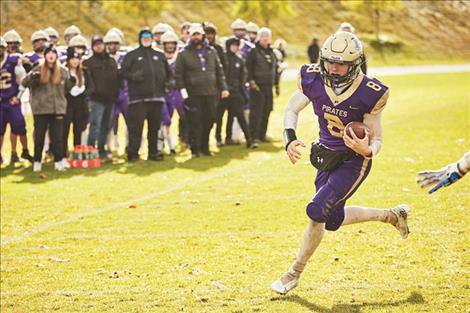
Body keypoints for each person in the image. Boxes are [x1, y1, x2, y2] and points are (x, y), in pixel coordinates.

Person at [270, 32, 410, 295]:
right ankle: (391, 215)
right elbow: (291, 109)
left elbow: (377, 138)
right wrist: (290, 139)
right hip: (325, 156)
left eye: (341, 63)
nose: (333, 68)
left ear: (355, 63)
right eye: (329, 61)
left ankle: (293, 273)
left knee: (316, 210)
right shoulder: (312, 78)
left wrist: (366, 149)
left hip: (353, 162)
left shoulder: (370, 92)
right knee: (331, 220)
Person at [175, 23, 229, 157]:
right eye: (193, 34)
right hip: (193, 93)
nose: (196, 37)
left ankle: (205, 147)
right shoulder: (183, 53)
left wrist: (223, 87)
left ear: (202, 35)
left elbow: (219, 70)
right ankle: (195, 149)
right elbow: (178, 75)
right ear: (190, 36)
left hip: (211, 92)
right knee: (195, 121)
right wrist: (183, 92)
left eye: (198, 34)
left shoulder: (211, 51)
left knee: (210, 119)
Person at [22, 44, 75, 172]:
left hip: (57, 108)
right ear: (45, 55)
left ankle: (58, 161)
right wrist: (32, 77)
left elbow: (66, 91)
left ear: (56, 55)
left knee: (58, 137)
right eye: (48, 53)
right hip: (41, 109)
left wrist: (71, 82)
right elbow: (25, 83)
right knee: (39, 137)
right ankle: (37, 162)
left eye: (53, 53)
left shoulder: (62, 70)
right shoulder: (38, 68)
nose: (51, 55)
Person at [121, 28, 171, 162]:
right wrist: (132, 77)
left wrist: (169, 83)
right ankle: (133, 154)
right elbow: (122, 73)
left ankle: (153, 153)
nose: (146, 38)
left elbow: (169, 74)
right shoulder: (132, 55)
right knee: (136, 129)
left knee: (154, 128)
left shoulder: (159, 55)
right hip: (138, 99)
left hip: (157, 98)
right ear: (140, 38)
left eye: (149, 36)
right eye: (144, 36)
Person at [82, 35, 120, 160]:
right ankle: (90, 150)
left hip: (110, 99)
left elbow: (116, 79)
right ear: (92, 47)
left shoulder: (111, 61)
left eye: (100, 44)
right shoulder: (88, 62)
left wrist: (115, 94)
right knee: (95, 125)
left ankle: (101, 150)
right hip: (96, 99)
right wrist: (93, 93)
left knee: (106, 126)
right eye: (96, 44)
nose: (99, 46)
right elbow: (88, 82)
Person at [0, 36, 33, 164]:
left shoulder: (13, 60)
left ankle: (24, 151)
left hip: (13, 100)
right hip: (1, 101)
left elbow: (23, 80)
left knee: (20, 127)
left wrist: (18, 96)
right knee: (0, 130)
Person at [218, 37, 254, 148]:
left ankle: (249, 139)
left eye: (237, 45)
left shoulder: (240, 60)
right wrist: (222, 89)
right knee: (219, 117)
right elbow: (219, 75)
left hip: (236, 93)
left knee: (239, 116)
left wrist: (243, 93)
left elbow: (243, 78)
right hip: (223, 93)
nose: (235, 47)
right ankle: (219, 139)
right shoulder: (222, 58)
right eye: (233, 45)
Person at [246, 27, 279, 144]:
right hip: (257, 86)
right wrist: (251, 82)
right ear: (259, 38)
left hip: (268, 86)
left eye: (267, 36)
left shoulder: (272, 52)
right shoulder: (253, 51)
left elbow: (275, 70)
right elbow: (248, 68)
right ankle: (253, 136)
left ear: (270, 39)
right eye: (263, 36)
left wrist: (276, 85)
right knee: (256, 112)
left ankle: (262, 135)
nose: (265, 38)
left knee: (267, 110)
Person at [160, 30, 186, 154]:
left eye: (172, 43)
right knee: (165, 119)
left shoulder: (180, 57)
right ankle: (165, 144)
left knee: (185, 116)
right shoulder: (159, 58)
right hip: (163, 92)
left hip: (177, 91)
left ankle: (184, 140)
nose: (170, 46)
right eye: (167, 43)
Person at [104, 29, 128, 154]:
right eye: (109, 43)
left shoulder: (125, 57)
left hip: (124, 92)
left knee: (131, 120)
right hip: (110, 94)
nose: (112, 46)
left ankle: (129, 145)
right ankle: (110, 145)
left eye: (115, 43)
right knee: (109, 122)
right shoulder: (104, 58)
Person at [63, 47, 88, 156]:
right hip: (67, 104)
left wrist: (83, 90)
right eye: (72, 59)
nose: (75, 61)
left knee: (78, 129)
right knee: (65, 129)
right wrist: (69, 90)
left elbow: (89, 86)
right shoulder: (64, 71)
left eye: (77, 59)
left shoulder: (83, 72)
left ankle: (77, 152)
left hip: (80, 104)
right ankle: (63, 152)